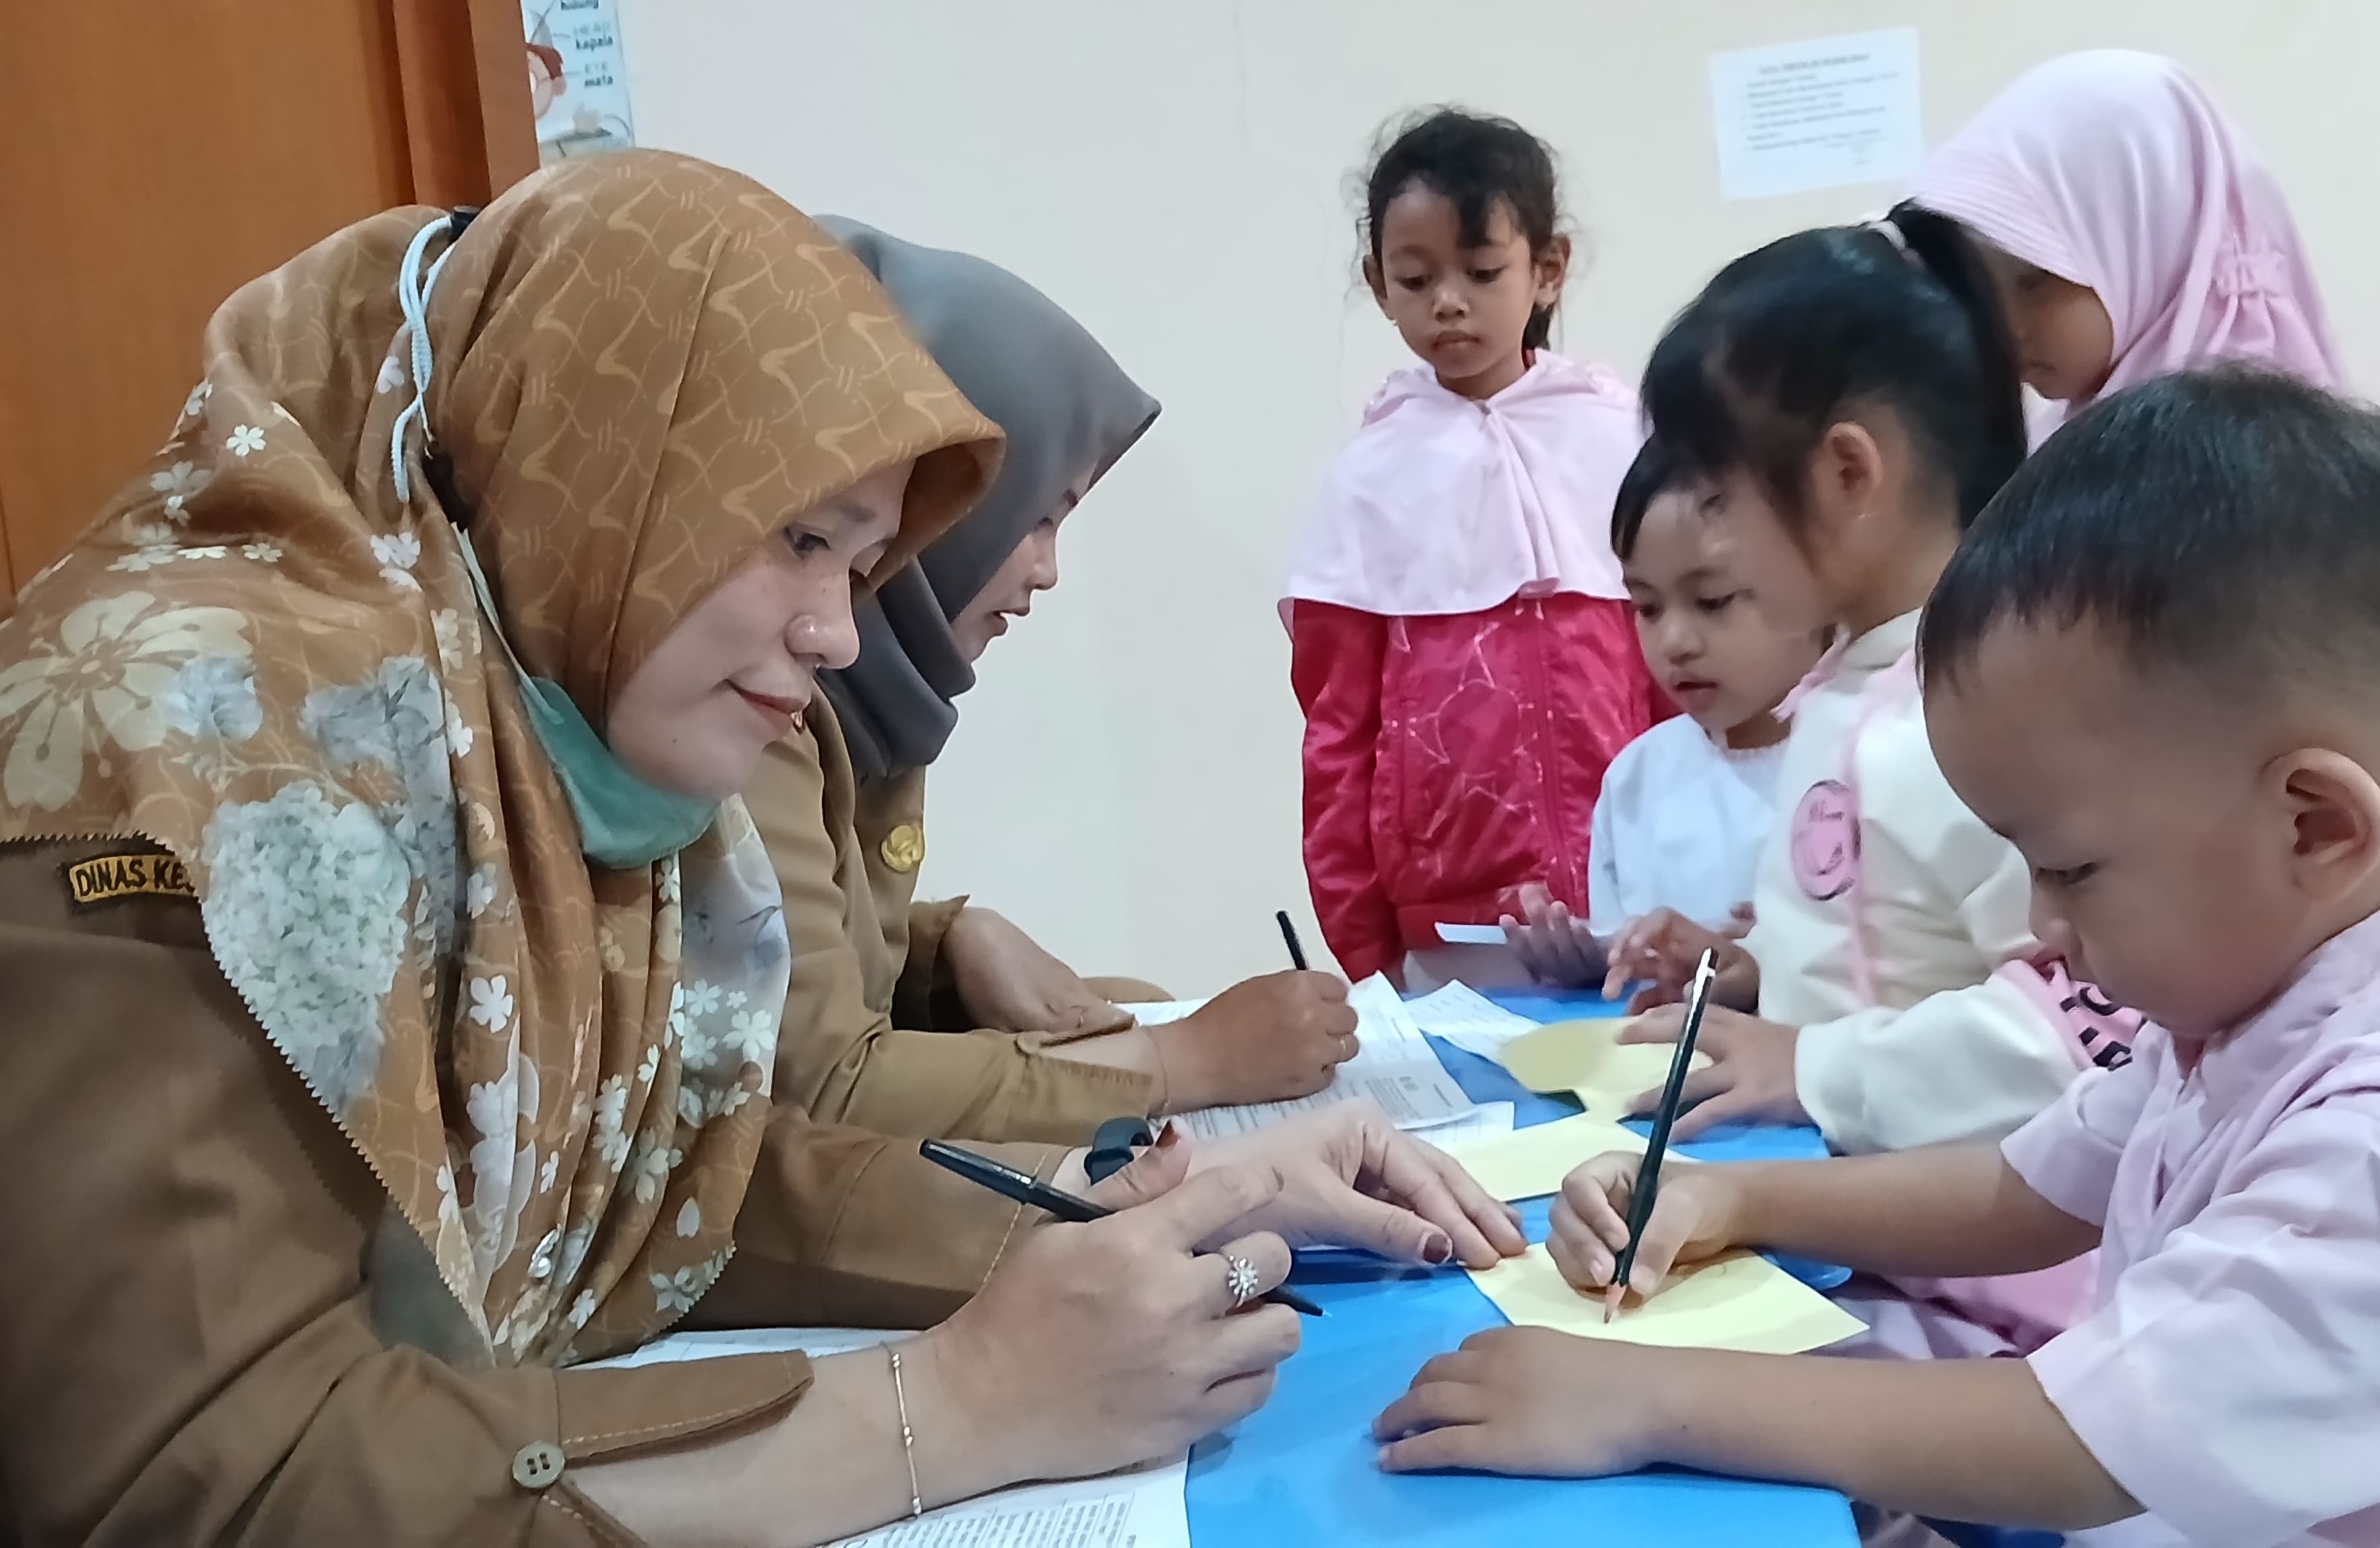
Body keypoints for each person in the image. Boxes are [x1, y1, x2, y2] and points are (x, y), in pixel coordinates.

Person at [0, 151, 1516, 1547]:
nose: (836, 631)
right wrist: (953, 1407)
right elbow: (200, 1469)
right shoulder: (176, 761)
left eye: (861, 561)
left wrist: (1159, 1191)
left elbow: (678, 1188)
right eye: (797, 537)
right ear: (590, 465)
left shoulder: (538, 739)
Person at [1378, 368, 2380, 1545]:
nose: (2039, 925)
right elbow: (2028, 1184)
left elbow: (2077, 1444)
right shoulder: (2282, 983)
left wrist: (1642, 1396)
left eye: (2074, 868)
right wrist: (1737, 1201)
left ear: (2316, 825)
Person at [748, 219, 1359, 1145]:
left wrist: (944, 946)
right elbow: (818, 1086)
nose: (1046, 571)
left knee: (1129, 1002)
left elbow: (821, 968)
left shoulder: (876, 702)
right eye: (1034, 516)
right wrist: (1185, 1061)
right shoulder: (766, 713)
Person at [1601, 220, 2139, 1170]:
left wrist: (1815, 1065)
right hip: (1827, 1191)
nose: (1710, 541)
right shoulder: (1845, 686)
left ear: (1848, 474)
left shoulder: (1982, 711)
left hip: (1963, 1236)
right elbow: (1899, 941)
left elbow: (2090, 1027)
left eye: (1720, 497)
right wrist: (1758, 972)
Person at [1286, 107, 1664, 989]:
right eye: (1416, 279)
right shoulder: (1366, 480)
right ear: (1378, 283)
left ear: (1548, 268)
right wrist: (1367, 953)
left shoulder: (1625, 441)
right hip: (1450, 936)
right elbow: (1336, 732)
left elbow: (1687, 676)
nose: (1449, 301)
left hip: (1646, 905)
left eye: (1483, 272)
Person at [1498, 438, 1819, 988]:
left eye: (1713, 601)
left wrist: (1780, 961)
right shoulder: (1636, 777)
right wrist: (1594, 965)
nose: (1675, 642)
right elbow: (1639, 974)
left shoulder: (1862, 758)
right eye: (1647, 607)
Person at [1907, 49, 2344, 436]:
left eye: (2034, 280)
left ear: (2153, 248)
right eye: (1981, 292)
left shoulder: (2243, 448)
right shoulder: (2087, 428)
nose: (2003, 329)